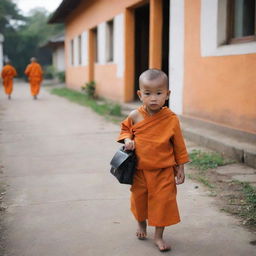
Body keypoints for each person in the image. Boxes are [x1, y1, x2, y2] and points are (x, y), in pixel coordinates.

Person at [117, 69, 189, 252]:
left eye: (159, 93)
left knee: (163, 203)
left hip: (164, 170)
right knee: (139, 200)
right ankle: (141, 225)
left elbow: (179, 146)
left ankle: (158, 236)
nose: (154, 98)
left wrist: (180, 167)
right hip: (140, 171)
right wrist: (128, 140)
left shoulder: (171, 119)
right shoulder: (135, 115)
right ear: (140, 95)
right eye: (148, 94)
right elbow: (125, 130)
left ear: (167, 94)